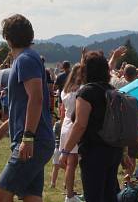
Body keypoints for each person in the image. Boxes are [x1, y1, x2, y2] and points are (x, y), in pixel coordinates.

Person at [0, 14, 55, 202]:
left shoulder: (25, 59)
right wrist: (2, 129)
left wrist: (28, 137)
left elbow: (37, 98)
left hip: (34, 140)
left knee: (2, 194)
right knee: (31, 197)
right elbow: (24, 106)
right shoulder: (27, 58)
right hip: (36, 140)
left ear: (7, 38)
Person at [60, 50, 132, 202]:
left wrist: (65, 151)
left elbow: (80, 125)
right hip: (113, 150)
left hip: (94, 151)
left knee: (94, 196)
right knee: (109, 195)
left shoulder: (87, 92)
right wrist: (124, 153)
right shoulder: (112, 90)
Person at [60, 63, 84, 202]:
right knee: (73, 163)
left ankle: (70, 193)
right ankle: (70, 195)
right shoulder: (81, 91)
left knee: (70, 163)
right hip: (74, 125)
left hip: (65, 126)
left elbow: (63, 110)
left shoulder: (65, 91)